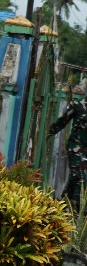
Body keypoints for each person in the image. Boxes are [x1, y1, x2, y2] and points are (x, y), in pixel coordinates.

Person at [49, 84, 86, 212]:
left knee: (77, 177)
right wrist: (50, 131)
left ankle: (64, 203)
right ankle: (77, 210)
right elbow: (63, 120)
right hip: (75, 147)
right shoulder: (77, 106)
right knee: (79, 176)